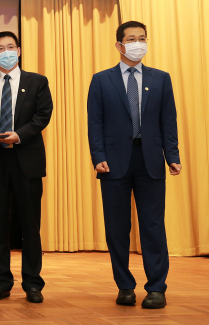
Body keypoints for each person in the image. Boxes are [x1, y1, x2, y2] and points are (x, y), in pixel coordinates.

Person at [87, 21, 181, 309]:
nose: (137, 43)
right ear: (119, 45)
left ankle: (156, 287)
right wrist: (98, 155)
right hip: (113, 163)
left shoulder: (161, 78)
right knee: (117, 228)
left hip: (150, 160)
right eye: (131, 39)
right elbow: (95, 122)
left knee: (153, 226)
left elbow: (168, 120)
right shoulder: (101, 80)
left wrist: (173, 155)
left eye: (142, 38)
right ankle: (125, 286)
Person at [0, 31, 53, 303]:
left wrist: (18, 134)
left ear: (18, 51)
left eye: (10, 47)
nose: (5, 51)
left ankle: (33, 283)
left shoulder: (37, 82)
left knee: (30, 226)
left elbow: (43, 116)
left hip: (27, 161)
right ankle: (1, 282)